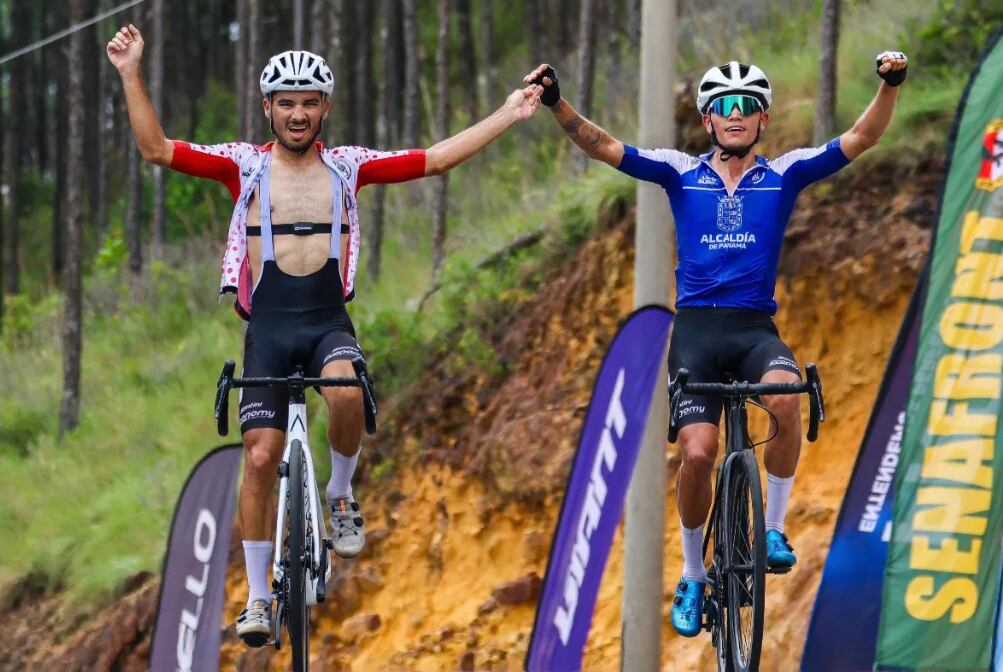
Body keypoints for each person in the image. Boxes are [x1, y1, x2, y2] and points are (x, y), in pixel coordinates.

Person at [108, 24, 545, 646]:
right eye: (285, 102)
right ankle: (259, 597)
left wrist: (507, 112)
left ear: (325, 109)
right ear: (268, 108)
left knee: (344, 393)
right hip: (268, 329)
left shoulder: (348, 167)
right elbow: (156, 150)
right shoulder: (244, 165)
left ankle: (340, 494)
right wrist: (130, 72)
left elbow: (437, 159)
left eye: (309, 101)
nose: (297, 113)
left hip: (324, 322)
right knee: (259, 455)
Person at [524, 51, 908, 637]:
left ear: (763, 119)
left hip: (754, 330)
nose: (735, 114)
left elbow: (861, 137)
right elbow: (604, 146)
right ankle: (695, 575)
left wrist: (891, 85)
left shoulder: (786, 173)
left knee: (786, 396)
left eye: (747, 106)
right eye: (724, 106)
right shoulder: (679, 170)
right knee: (698, 454)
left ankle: (772, 529)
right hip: (697, 334)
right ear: (707, 119)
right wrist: (556, 104)